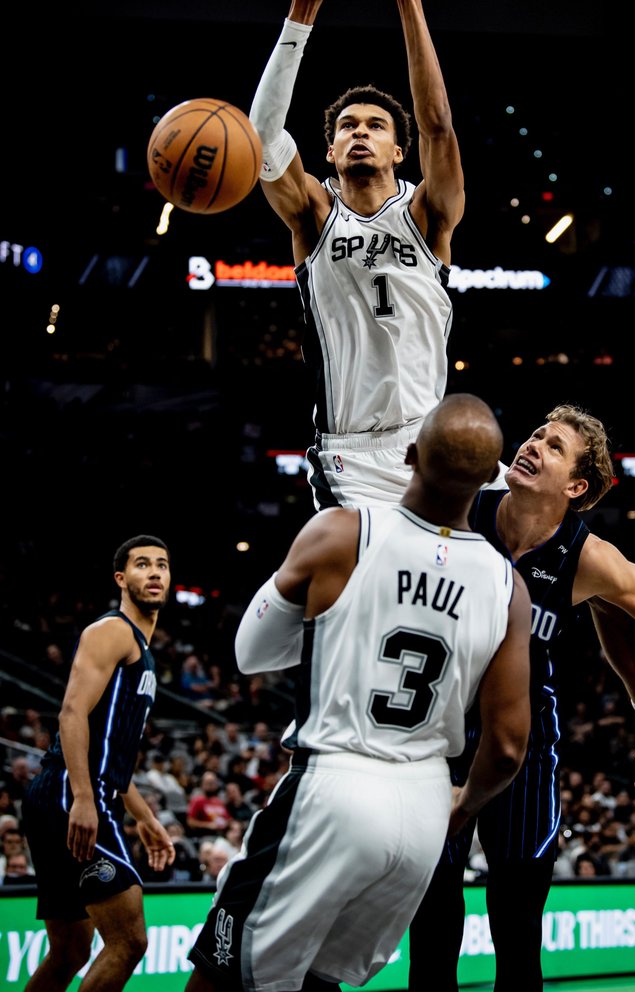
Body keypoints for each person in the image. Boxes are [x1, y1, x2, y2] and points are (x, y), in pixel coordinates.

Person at [408, 404, 635, 992]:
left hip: (524, 749)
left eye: (553, 447)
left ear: (576, 486)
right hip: (438, 737)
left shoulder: (587, 556)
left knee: (518, 932)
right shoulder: (461, 506)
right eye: (534, 435)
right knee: (432, 931)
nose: (532, 446)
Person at [184, 393, 532, 992]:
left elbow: (251, 654)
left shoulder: (345, 531)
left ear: (411, 454)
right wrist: (464, 806)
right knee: (321, 981)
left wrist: (350, 622)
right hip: (424, 812)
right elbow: (506, 746)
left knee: (224, 977)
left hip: (336, 788)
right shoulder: (509, 587)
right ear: (487, 480)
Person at [248, 0, 464, 510]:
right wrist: (303, 8)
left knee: (527, 559)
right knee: (362, 592)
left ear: (400, 152)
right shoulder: (314, 215)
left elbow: (439, 126)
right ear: (331, 152)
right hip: (353, 457)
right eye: (348, 126)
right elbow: (260, 137)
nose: (360, 131)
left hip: (435, 444)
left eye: (375, 126)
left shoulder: (426, 214)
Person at [21, 535, 176, 992]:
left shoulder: (142, 652)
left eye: (162, 565)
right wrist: (84, 799)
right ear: (120, 578)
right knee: (129, 941)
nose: (154, 572)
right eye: (142, 564)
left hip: (61, 792)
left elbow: (109, 754)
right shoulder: (112, 632)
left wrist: (145, 817)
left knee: (71, 950)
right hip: (71, 791)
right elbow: (71, 713)